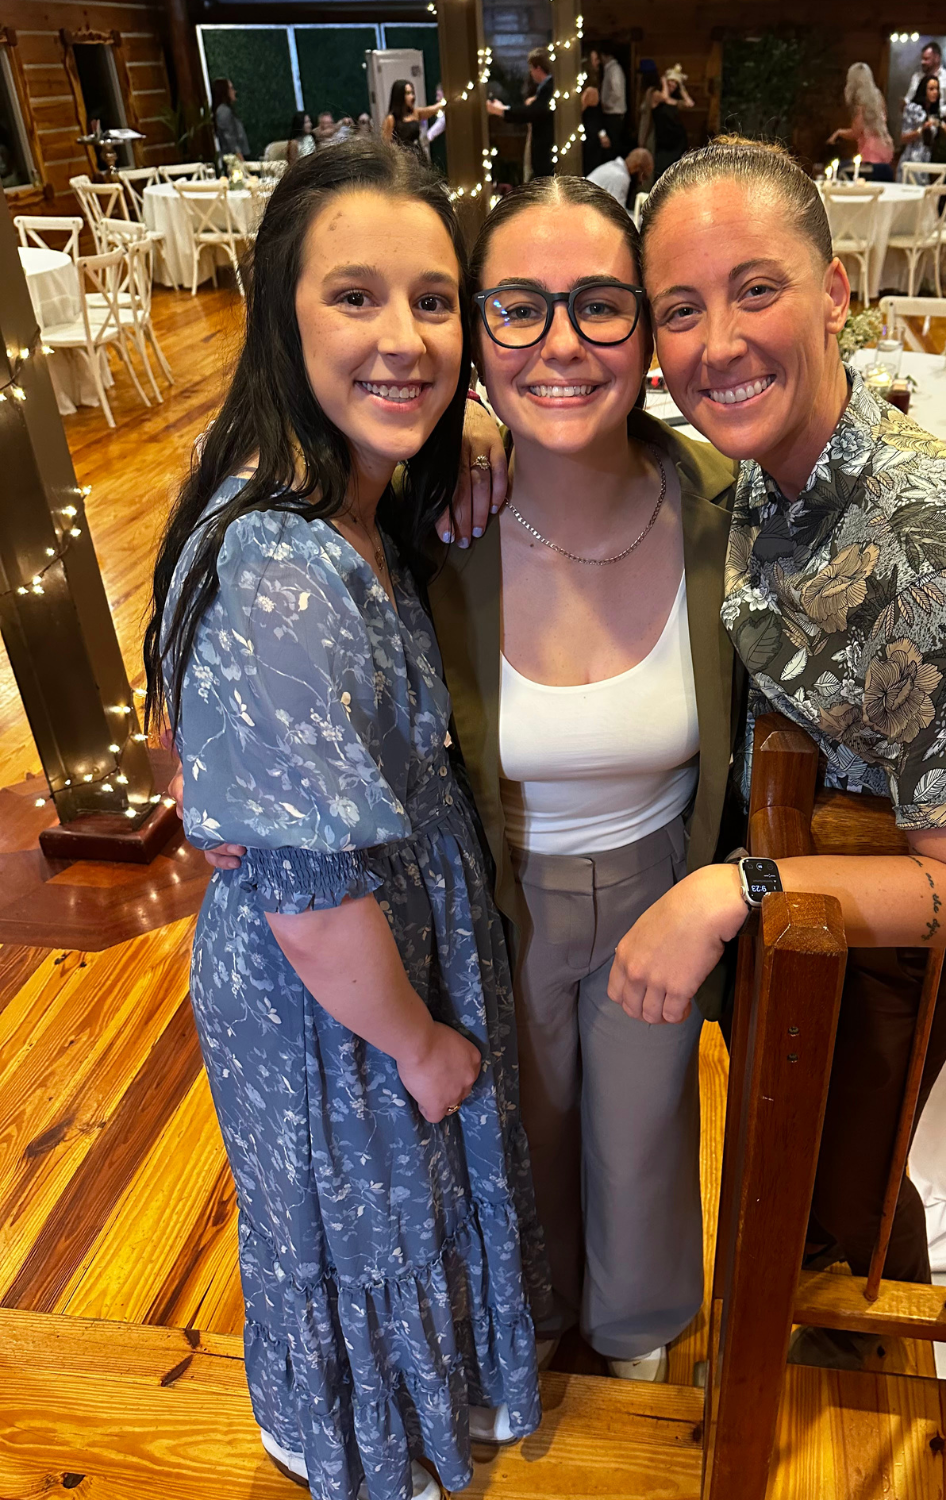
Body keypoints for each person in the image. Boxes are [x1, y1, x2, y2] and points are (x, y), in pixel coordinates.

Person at [141, 140, 550, 1499]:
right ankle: (374, 1451)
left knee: (391, 1222)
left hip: (378, 948)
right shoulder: (284, 560)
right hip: (343, 995)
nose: (406, 339)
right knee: (362, 1228)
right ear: (283, 313)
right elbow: (311, 900)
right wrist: (423, 1042)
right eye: (356, 298)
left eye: (435, 302)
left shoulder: (360, 501)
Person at [617, 138, 946, 1366]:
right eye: (681, 309)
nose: (718, 343)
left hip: (877, 945)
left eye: (758, 289)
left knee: (841, 1214)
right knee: (792, 1189)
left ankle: (863, 1404)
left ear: (838, 291)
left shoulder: (940, 542)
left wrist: (739, 887)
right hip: (786, 909)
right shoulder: (757, 471)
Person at [431, 176, 739, 1383]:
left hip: (663, 880)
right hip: (498, 890)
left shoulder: (720, 508)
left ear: (649, 330)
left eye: (601, 306)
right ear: (476, 333)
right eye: (518, 307)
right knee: (525, 1134)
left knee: (647, 1139)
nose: (561, 343)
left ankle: (640, 1355)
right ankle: (532, 1337)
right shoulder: (434, 522)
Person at [487, 49, 555, 180]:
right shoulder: (545, 88)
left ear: (538, 69)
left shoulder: (549, 88)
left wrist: (502, 110)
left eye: (531, 68)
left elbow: (532, 113)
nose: (530, 72)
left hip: (545, 148)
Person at [828, 63, 895, 181]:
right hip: (886, 152)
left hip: (869, 157)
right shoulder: (879, 98)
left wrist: (838, 133)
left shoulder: (860, 104)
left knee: (840, 171)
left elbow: (856, 131)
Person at [645, 66, 694, 181]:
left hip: (677, 141)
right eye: (671, 81)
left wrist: (681, 87)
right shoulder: (655, 94)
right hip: (663, 142)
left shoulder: (673, 99)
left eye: (675, 83)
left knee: (676, 173)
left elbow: (689, 103)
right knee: (661, 172)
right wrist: (664, 83)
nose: (673, 85)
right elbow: (664, 97)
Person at [898, 74, 946, 167]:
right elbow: (903, 138)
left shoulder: (934, 112)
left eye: (937, 89)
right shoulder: (912, 109)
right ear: (924, 90)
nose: (935, 92)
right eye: (931, 89)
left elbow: (944, 132)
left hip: (927, 159)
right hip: (912, 158)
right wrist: (921, 129)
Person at [384, 79, 443, 158]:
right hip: (403, 161)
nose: (412, 97)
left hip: (419, 158)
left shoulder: (415, 113)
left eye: (412, 93)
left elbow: (433, 109)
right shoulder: (391, 119)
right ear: (400, 96)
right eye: (408, 93)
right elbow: (386, 145)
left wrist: (446, 100)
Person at [905, 40, 946, 119]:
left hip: (938, 121)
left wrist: (935, 112)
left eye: (926, 59)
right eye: (922, 59)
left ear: (937, 58)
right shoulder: (916, 77)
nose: (922, 62)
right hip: (916, 120)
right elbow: (909, 98)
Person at [587, 146, 653, 207]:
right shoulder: (621, 177)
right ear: (637, 168)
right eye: (644, 177)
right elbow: (616, 215)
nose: (641, 182)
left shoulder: (611, 166)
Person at [597, 44, 628, 161]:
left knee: (613, 148)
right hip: (611, 113)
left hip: (613, 114)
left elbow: (617, 92)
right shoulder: (610, 69)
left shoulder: (615, 70)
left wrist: (605, 104)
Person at [211, 78, 250, 161]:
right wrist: (240, 158)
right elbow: (229, 137)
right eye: (231, 88)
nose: (234, 91)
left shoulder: (225, 110)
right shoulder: (223, 111)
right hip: (234, 158)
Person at [581, 51, 606, 175]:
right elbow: (595, 117)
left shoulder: (590, 88)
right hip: (590, 134)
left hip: (590, 132)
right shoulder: (591, 90)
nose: (598, 63)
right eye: (595, 60)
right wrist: (602, 134)